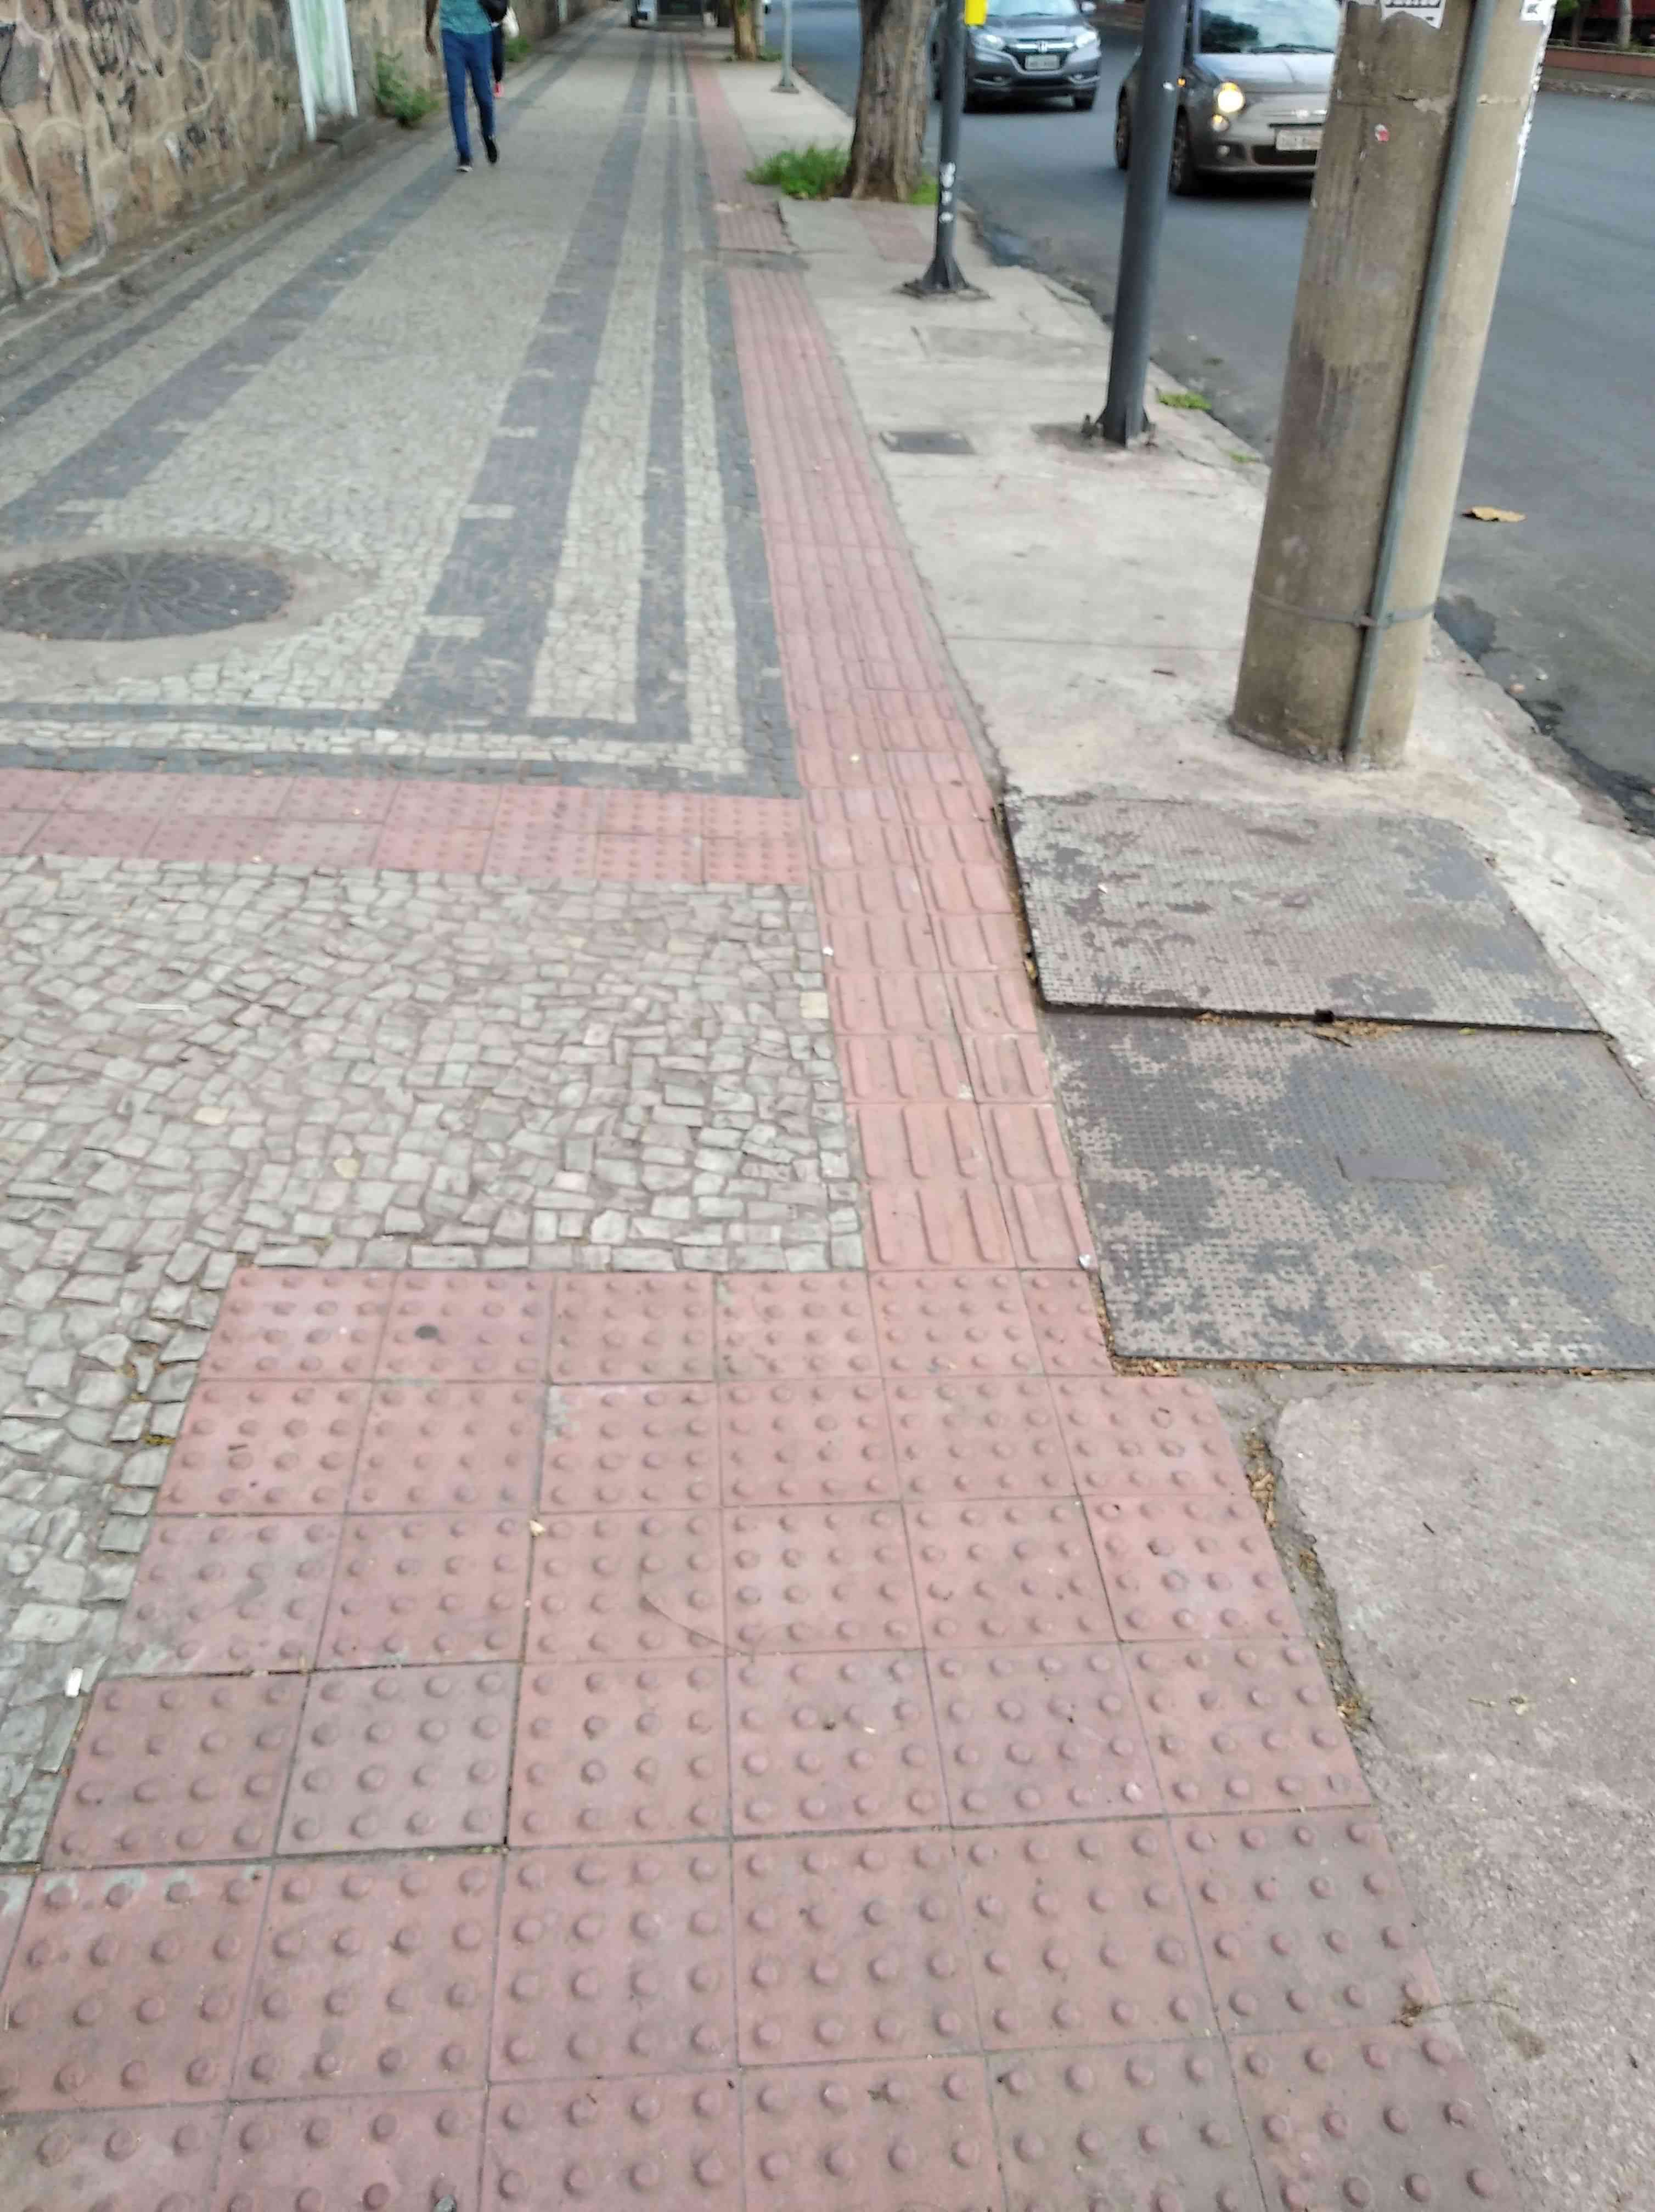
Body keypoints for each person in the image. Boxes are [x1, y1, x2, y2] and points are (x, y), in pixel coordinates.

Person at [424, 0, 499, 176]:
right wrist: (427, 30)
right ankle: (464, 153)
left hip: (480, 32)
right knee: (457, 95)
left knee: (484, 97)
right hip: (452, 33)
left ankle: (488, 134)